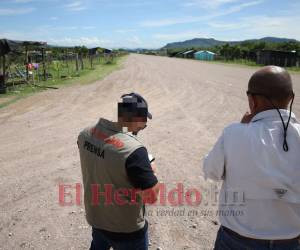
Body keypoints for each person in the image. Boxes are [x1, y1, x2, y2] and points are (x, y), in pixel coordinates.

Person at [203, 66, 300, 250]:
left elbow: (211, 171)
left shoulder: (234, 134)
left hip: (236, 241)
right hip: (289, 242)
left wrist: (241, 129)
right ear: (290, 98)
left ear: (252, 101)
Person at [78, 92, 159, 250]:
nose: (144, 125)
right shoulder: (134, 151)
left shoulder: (85, 134)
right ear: (135, 118)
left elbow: (104, 158)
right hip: (126, 230)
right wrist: (152, 170)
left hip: (97, 219)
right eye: (143, 121)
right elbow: (151, 196)